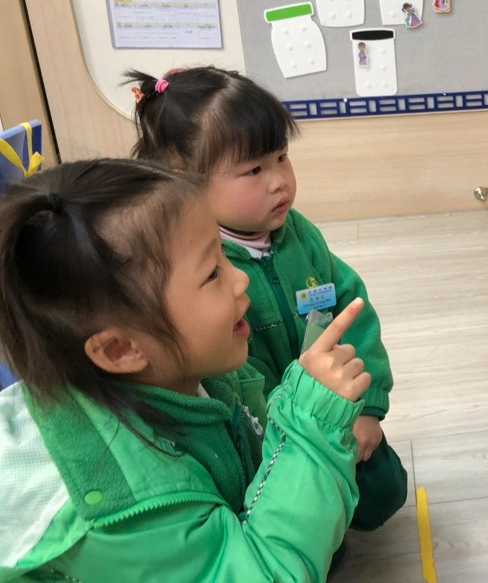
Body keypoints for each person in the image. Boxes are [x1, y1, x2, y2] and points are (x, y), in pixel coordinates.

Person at [0, 158, 370, 580]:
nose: (240, 279)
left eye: (224, 254)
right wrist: (311, 424)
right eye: (212, 273)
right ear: (121, 349)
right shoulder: (122, 506)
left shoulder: (187, 372)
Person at [126, 67, 407, 535]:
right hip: (265, 436)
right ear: (186, 182)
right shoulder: (198, 269)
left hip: (333, 407)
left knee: (385, 493)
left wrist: (368, 406)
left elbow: (352, 310)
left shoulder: (299, 234)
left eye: (281, 157)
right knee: (314, 536)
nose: (279, 181)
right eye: (254, 170)